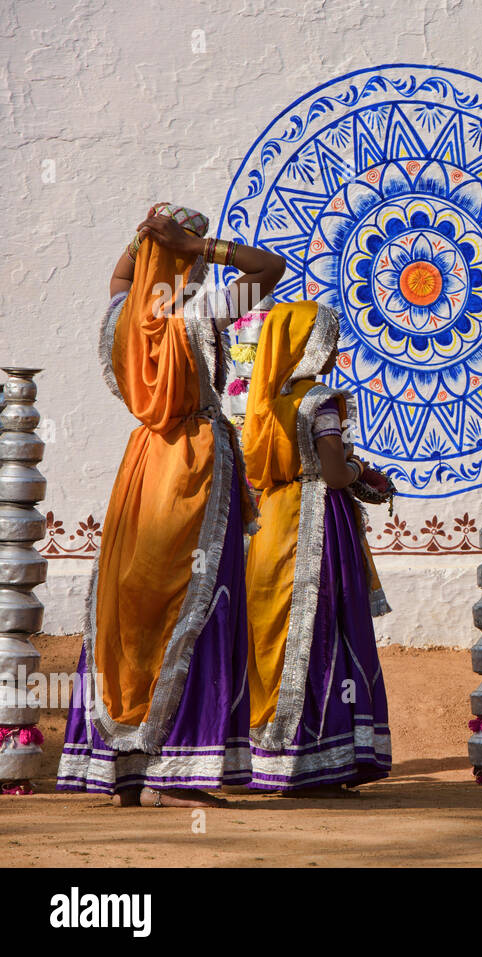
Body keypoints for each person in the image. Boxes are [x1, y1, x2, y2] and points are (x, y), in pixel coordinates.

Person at [58, 203, 284, 807]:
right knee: (195, 604)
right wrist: (198, 248)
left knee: (131, 605)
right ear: (181, 256)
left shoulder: (122, 317)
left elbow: (121, 279)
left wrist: (146, 241)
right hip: (194, 462)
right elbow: (272, 267)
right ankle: (180, 770)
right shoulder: (194, 310)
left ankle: (124, 773)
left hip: (143, 467)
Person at [243, 302, 393, 794]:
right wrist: (364, 476)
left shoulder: (265, 404)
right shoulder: (322, 401)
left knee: (279, 636)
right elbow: (330, 473)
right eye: (327, 341)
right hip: (317, 524)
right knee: (324, 629)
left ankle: (271, 758)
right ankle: (322, 757)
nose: (333, 351)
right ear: (309, 348)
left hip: (272, 525)